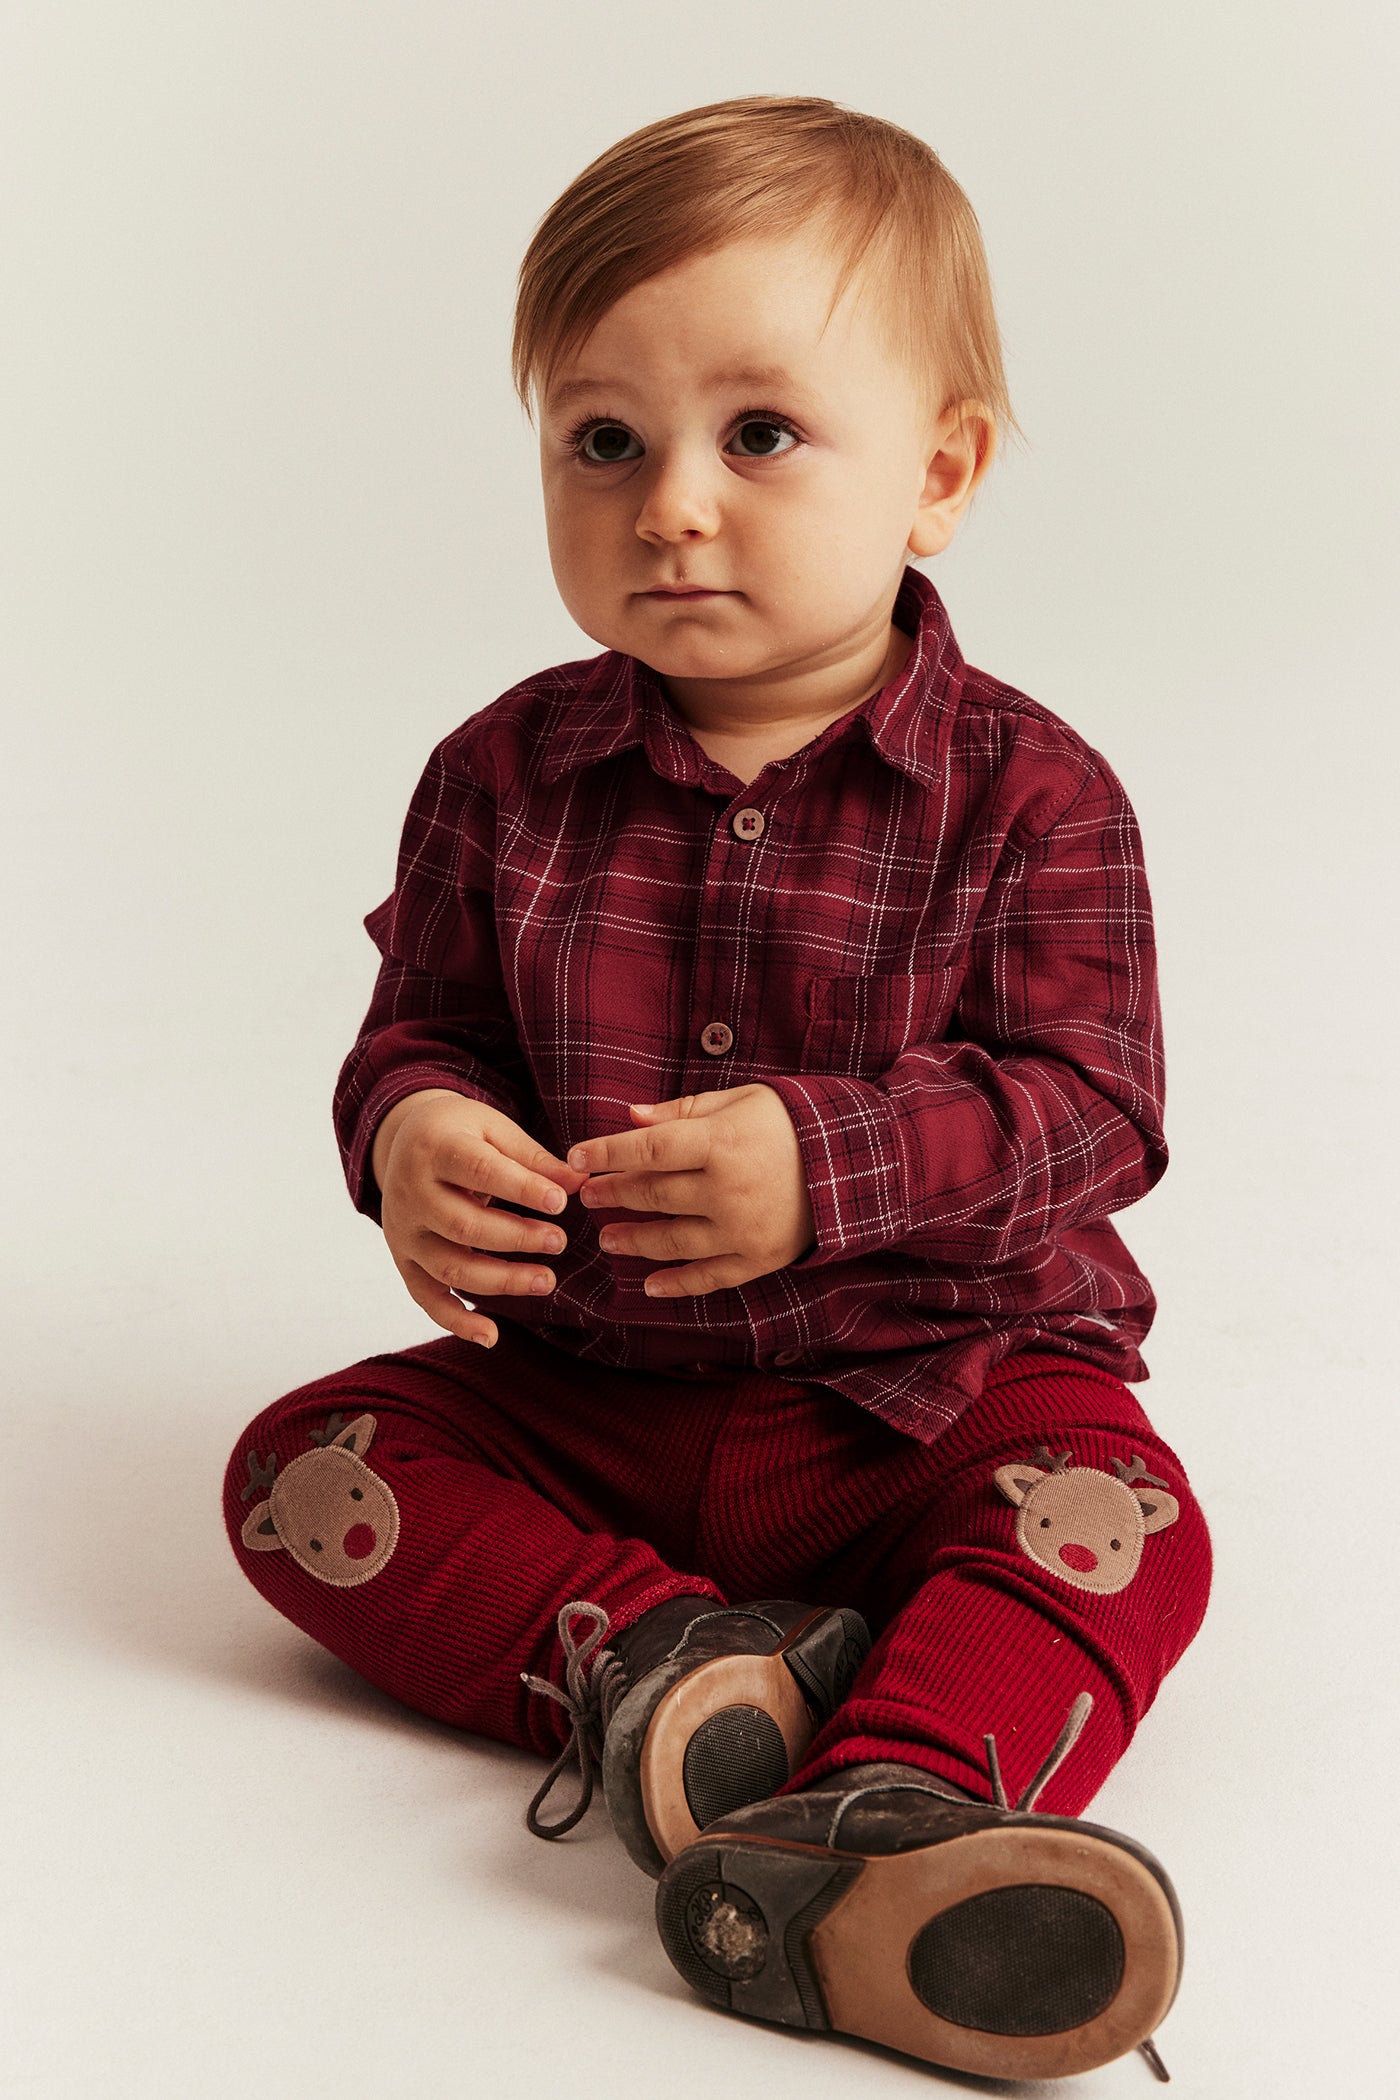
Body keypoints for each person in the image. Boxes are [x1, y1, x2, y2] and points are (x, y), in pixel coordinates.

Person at [224, 95, 1211, 2083]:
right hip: (593, 1397)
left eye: (758, 435)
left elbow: (1097, 1103)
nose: (671, 501)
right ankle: (673, 1673)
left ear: (936, 473)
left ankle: (896, 1816)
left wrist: (827, 1164)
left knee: (1118, 1519)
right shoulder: (501, 776)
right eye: (604, 441)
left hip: (926, 1394)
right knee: (301, 1479)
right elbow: (420, 1027)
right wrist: (414, 1139)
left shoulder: (1031, 794)